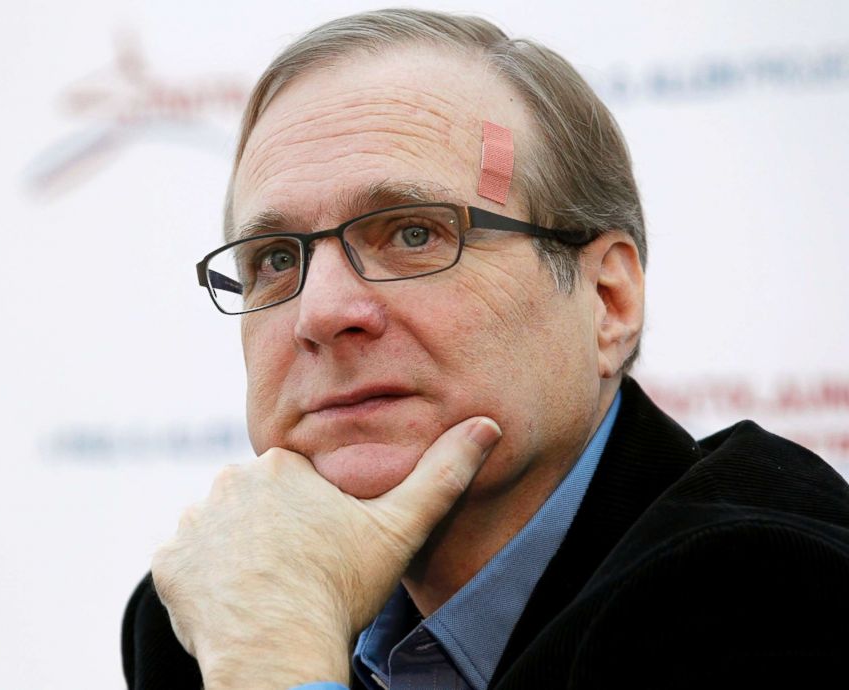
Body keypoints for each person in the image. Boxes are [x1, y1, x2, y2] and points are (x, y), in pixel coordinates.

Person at [122, 9, 849, 689]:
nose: (321, 312)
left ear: (608, 302)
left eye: (413, 233)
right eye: (276, 259)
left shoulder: (769, 590)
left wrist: (281, 667)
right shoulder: (216, 611)